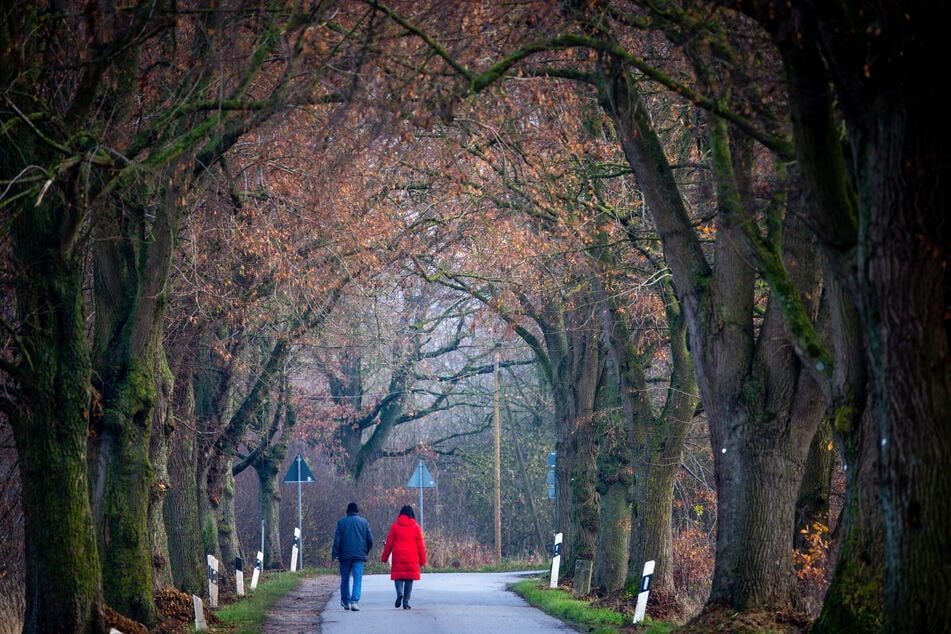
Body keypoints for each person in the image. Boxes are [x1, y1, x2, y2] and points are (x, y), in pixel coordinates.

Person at [380, 504, 427, 610]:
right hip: (412, 557)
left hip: (398, 556)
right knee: (409, 579)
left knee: (398, 576)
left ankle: (399, 593)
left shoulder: (395, 526)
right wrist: (423, 561)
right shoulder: (416, 527)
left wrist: (384, 557)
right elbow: (421, 546)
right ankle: (406, 602)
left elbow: (389, 544)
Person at [332, 501, 373, 611]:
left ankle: (346, 602)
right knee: (357, 578)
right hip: (359, 556)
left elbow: (337, 540)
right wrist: (365, 551)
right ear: (357, 511)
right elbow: (370, 540)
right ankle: (354, 601)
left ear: (347, 511)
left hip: (344, 556)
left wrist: (335, 553)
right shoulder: (364, 522)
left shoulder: (341, 522)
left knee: (345, 578)